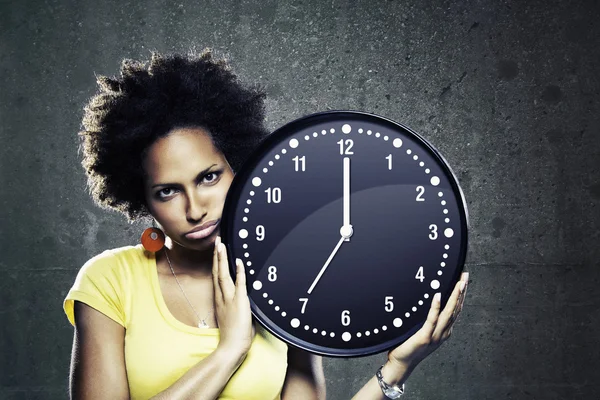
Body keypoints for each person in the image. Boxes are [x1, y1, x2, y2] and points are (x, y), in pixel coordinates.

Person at [63, 50, 470, 400]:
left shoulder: (290, 283)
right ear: (141, 198)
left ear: (237, 168)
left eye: (209, 177)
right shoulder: (109, 281)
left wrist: (397, 369)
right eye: (167, 191)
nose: (195, 208)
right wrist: (230, 350)